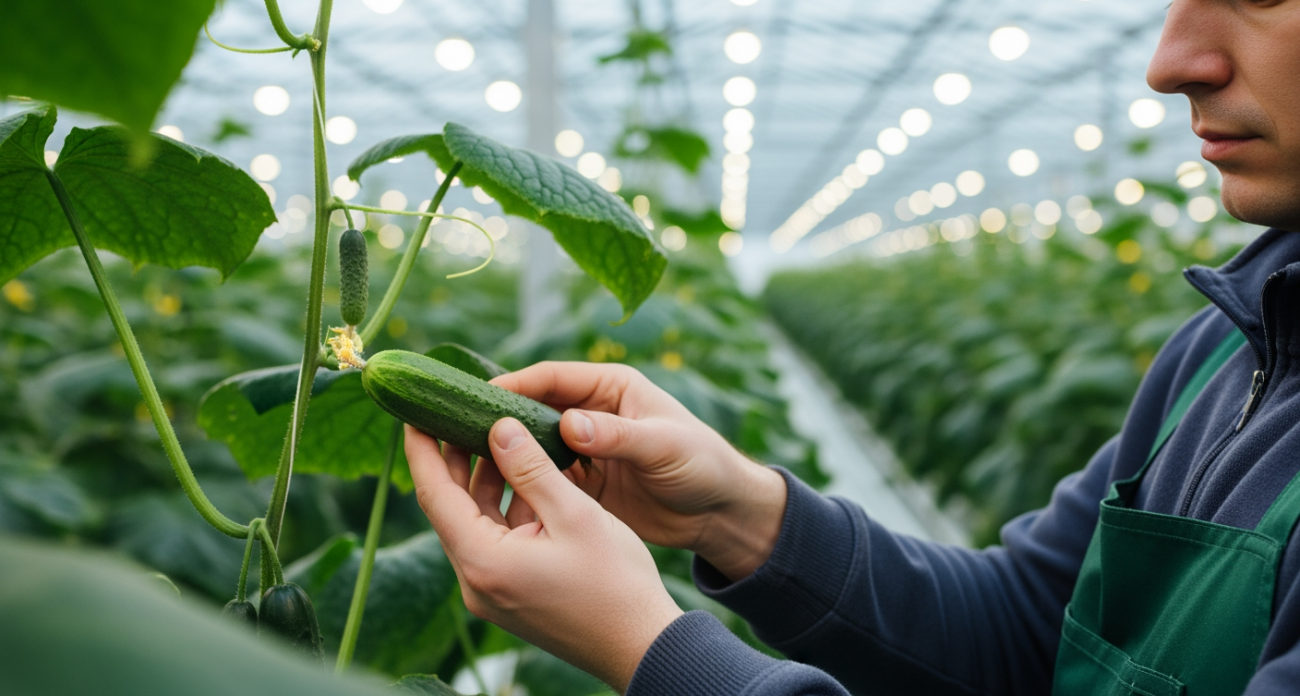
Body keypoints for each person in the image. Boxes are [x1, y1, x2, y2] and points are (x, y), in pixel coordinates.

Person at [406, 1, 1300, 693]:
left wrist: (653, 650)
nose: (1170, 62)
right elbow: (1031, 630)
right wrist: (736, 515)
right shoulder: (1226, 347)